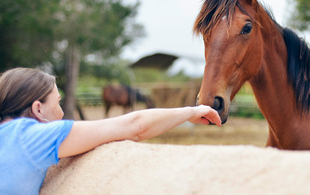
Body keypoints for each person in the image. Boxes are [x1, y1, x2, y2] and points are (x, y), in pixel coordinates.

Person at [0, 67, 221, 195]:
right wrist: (191, 111)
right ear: (38, 109)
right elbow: (135, 126)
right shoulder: (30, 135)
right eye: (57, 102)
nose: (60, 112)